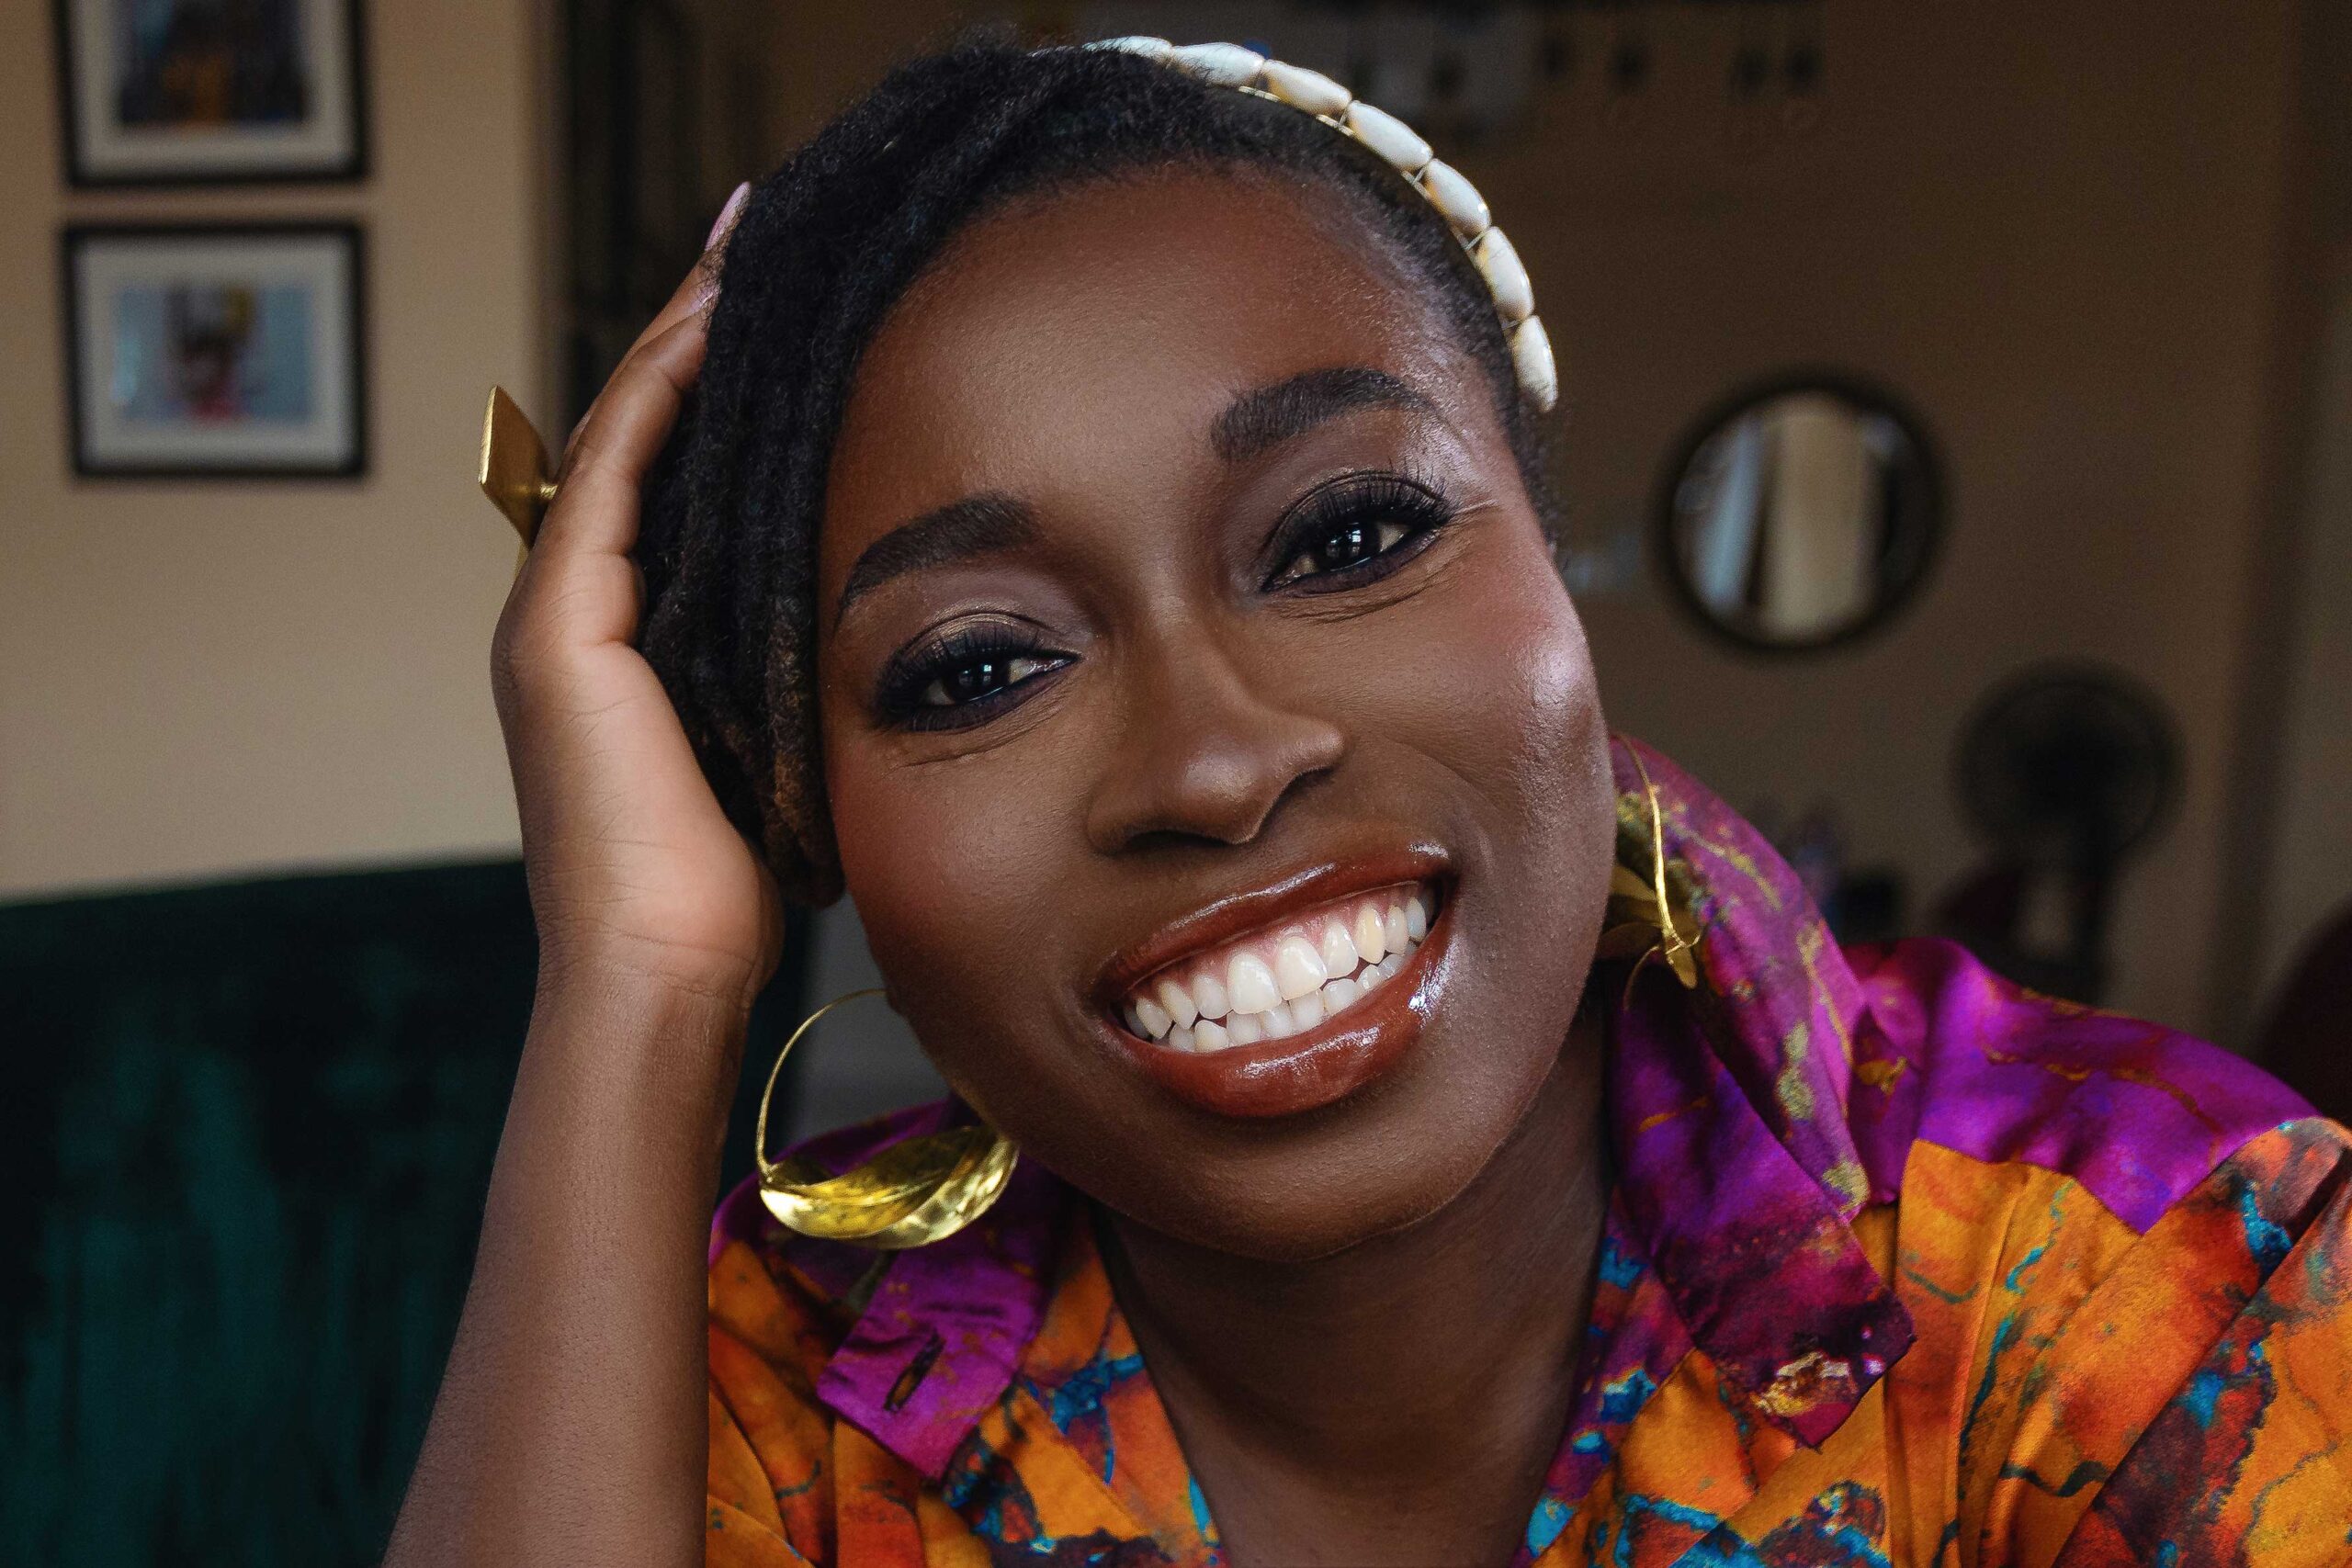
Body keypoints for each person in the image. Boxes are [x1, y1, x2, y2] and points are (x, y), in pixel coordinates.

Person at [388, 39, 2352, 1568]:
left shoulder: (2154, 1276)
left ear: (1546, 558)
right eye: (978, 667)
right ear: (801, 813)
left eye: (1345, 535)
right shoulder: (765, 1388)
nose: (1213, 757)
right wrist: (635, 977)